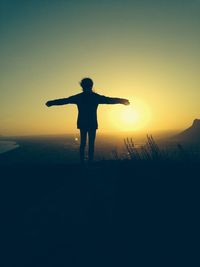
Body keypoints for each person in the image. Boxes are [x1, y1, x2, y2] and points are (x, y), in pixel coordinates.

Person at [46, 78, 130, 163]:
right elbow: (109, 100)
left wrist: (52, 103)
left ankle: (82, 162)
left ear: (82, 86)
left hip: (83, 123)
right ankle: (90, 162)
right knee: (91, 144)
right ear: (91, 85)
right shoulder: (95, 97)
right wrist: (122, 101)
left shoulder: (79, 97)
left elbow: (65, 101)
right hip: (92, 123)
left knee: (83, 144)